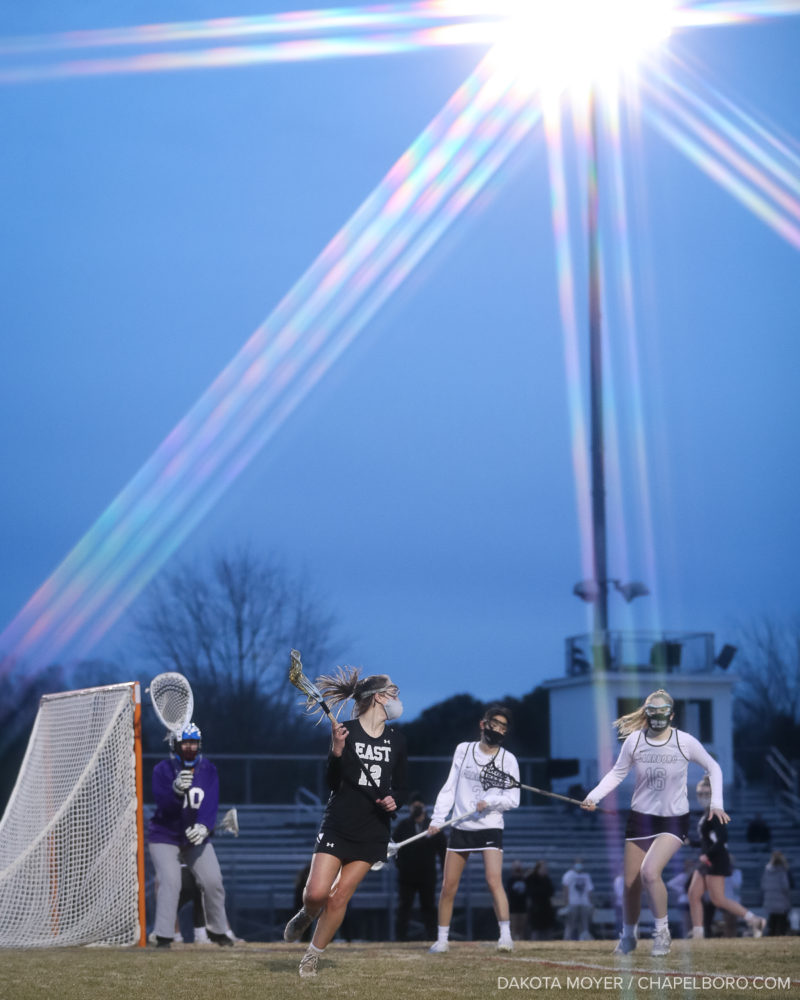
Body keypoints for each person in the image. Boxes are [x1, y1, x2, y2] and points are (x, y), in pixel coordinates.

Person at [581, 688, 726, 958]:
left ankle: (662, 933)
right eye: (653, 712)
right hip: (641, 818)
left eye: (662, 712)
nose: (657, 716)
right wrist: (594, 796)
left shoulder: (684, 741)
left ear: (671, 714)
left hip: (673, 819)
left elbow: (713, 767)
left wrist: (716, 803)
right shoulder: (634, 741)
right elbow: (616, 773)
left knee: (650, 873)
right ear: (647, 714)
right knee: (629, 883)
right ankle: (629, 936)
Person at [283, 667, 407, 978]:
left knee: (339, 896)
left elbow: (402, 786)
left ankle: (312, 956)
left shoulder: (398, 740)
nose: (397, 698)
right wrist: (336, 752)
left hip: (373, 829)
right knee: (316, 894)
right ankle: (307, 913)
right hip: (339, 823)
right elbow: (331, 781)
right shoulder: (345, 732)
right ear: (379, 697)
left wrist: (394, 799)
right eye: (394, 692)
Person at [427, 704, 520, 954]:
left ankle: (505, 936)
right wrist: (437, 819)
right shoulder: (464, 750)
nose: (498, 730)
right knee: (449, 885)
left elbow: (513, 799)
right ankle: (442, 940)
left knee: (493, 881)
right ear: (483, 724)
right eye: (494, 725)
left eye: (503, 728)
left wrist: (490, 801)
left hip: (490, 825)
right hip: (461, 825)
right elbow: (450, 786)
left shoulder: (508, 759)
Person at [148, 723, 233, 948]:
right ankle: (164, 935)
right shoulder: (162, 770)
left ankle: (218, 931)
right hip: (165, 836)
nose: (189, 747)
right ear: (175, 744)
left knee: (213, 880)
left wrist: (205, 826)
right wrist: (175, 791)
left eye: (193, 742)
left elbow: (211, 802)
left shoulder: (208, 770)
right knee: (170, 881)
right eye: (185, 742)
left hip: (196, 836)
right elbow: (164, 807)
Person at [686, 777, 765, 939]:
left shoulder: (715, 813)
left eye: (707, 793)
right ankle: (698, 933)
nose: (703, 796)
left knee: (718, 900)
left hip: (716, 860)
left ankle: (755, 920)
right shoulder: (706, 813)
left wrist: (706, 854)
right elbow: (707, 841)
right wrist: (690, 843)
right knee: (693, 894)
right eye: (700, 793)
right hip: (708, 860)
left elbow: (722, 838)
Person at [394, 797, 446, 941]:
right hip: (407, 876)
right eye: (413, 805)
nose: (416, 807)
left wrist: (444, 871)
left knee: (429, 906)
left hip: (427, 875)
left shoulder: (433, 826)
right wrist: (400, 866)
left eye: (419, 804)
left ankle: (433, 937)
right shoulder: (403, 825)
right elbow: (395, 848)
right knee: (404, 907)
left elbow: (443, 850)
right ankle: (400, 939)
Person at [561, 858, 594, 941]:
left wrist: (590, 903)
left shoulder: (586, 876)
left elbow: (589, 890)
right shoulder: (569, 875)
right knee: (571, 925)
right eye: (577, 863)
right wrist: (566, 903)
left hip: (584, 903)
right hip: (573, 903)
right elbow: (565, 890)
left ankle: (584, 941)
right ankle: (567, 940)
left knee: (584, 925)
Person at [761, 851, 792, 936]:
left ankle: (771, 935)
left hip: (770, 901)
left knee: (772, 922)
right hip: (782, 901)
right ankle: (781, 936)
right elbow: (785, 887)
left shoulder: (767, 871)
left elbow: (763, 885)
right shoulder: (783, 871)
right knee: (781, 923)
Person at [526, 860, 556, 940]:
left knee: (548, 931)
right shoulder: (532, 878)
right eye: (543, 868)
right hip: (536, 908)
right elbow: (532, 892)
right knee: (536, 932)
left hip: (546, 908)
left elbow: (551, 892)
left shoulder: (547, 879)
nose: (545, 870)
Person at [504, 860, 530, 941]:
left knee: (522, 929)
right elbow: (510, 893)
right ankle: (512, 942)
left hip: (523, 907)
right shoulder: (510, 880)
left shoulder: (525, 880)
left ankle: (521, 942)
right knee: (514, 928)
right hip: (513, 908)